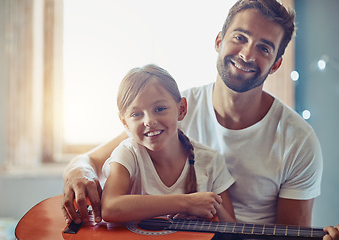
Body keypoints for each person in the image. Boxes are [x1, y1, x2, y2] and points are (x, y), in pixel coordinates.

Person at [61, 0, 334, 238]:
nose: (247, 54)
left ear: (275, 64)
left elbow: (290, 235)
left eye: (264, 48)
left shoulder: (298, 140)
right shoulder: (166, 112)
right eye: (240, 37)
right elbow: (89, 161)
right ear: (218, 41)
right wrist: (79, 173)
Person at [100, 64, 235, 223]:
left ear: (181, 109)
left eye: (160, 108)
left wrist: (212, 209)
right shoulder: (128, 153)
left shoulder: (211, 161)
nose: (149, 121)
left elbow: (232, 229)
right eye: (136, 114)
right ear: (125, 123)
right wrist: (186, 203)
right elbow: (110, 207)